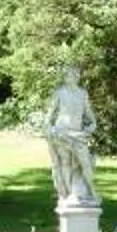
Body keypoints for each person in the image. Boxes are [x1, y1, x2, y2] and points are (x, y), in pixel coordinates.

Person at [41, 64, 98, 206]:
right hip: (62, 132)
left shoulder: (82, 93)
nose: (71, 77)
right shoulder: (60, 93)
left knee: (85, 163)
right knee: (65, 162)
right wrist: (47, 127)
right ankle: (68, 193)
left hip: (78, 134)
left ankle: (92, 190)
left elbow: (88, 112)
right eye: (69, 75)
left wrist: (93, 124)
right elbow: (51, 111)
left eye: (74, 74)